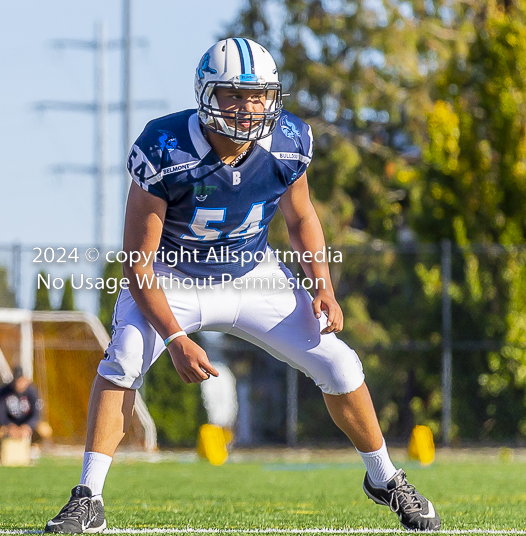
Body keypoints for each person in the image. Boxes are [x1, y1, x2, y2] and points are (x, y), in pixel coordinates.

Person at [44, 38, 441, 534]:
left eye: (258, 96)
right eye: (233, 95)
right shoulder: (165, 147)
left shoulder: (288, 140)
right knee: (123, 357)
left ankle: (384, 479)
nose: (247, 108)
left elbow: (301, 218)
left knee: (341, 363)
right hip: (173, 272)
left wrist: (323, 286)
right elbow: (138, 263)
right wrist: (174, 338)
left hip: (253, 274)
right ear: (206, 94)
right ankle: (88, 497)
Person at [0, 366, 50, 450]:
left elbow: (36, 414)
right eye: (16, 380)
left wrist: (27, 426)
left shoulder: (32, 392)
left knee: (45, 429)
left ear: (26, 380)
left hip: (26, 425)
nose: (18, 383)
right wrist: (9, 426)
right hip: (8, 425)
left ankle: (34, 451)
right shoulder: (4, 391)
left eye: (21, 380)